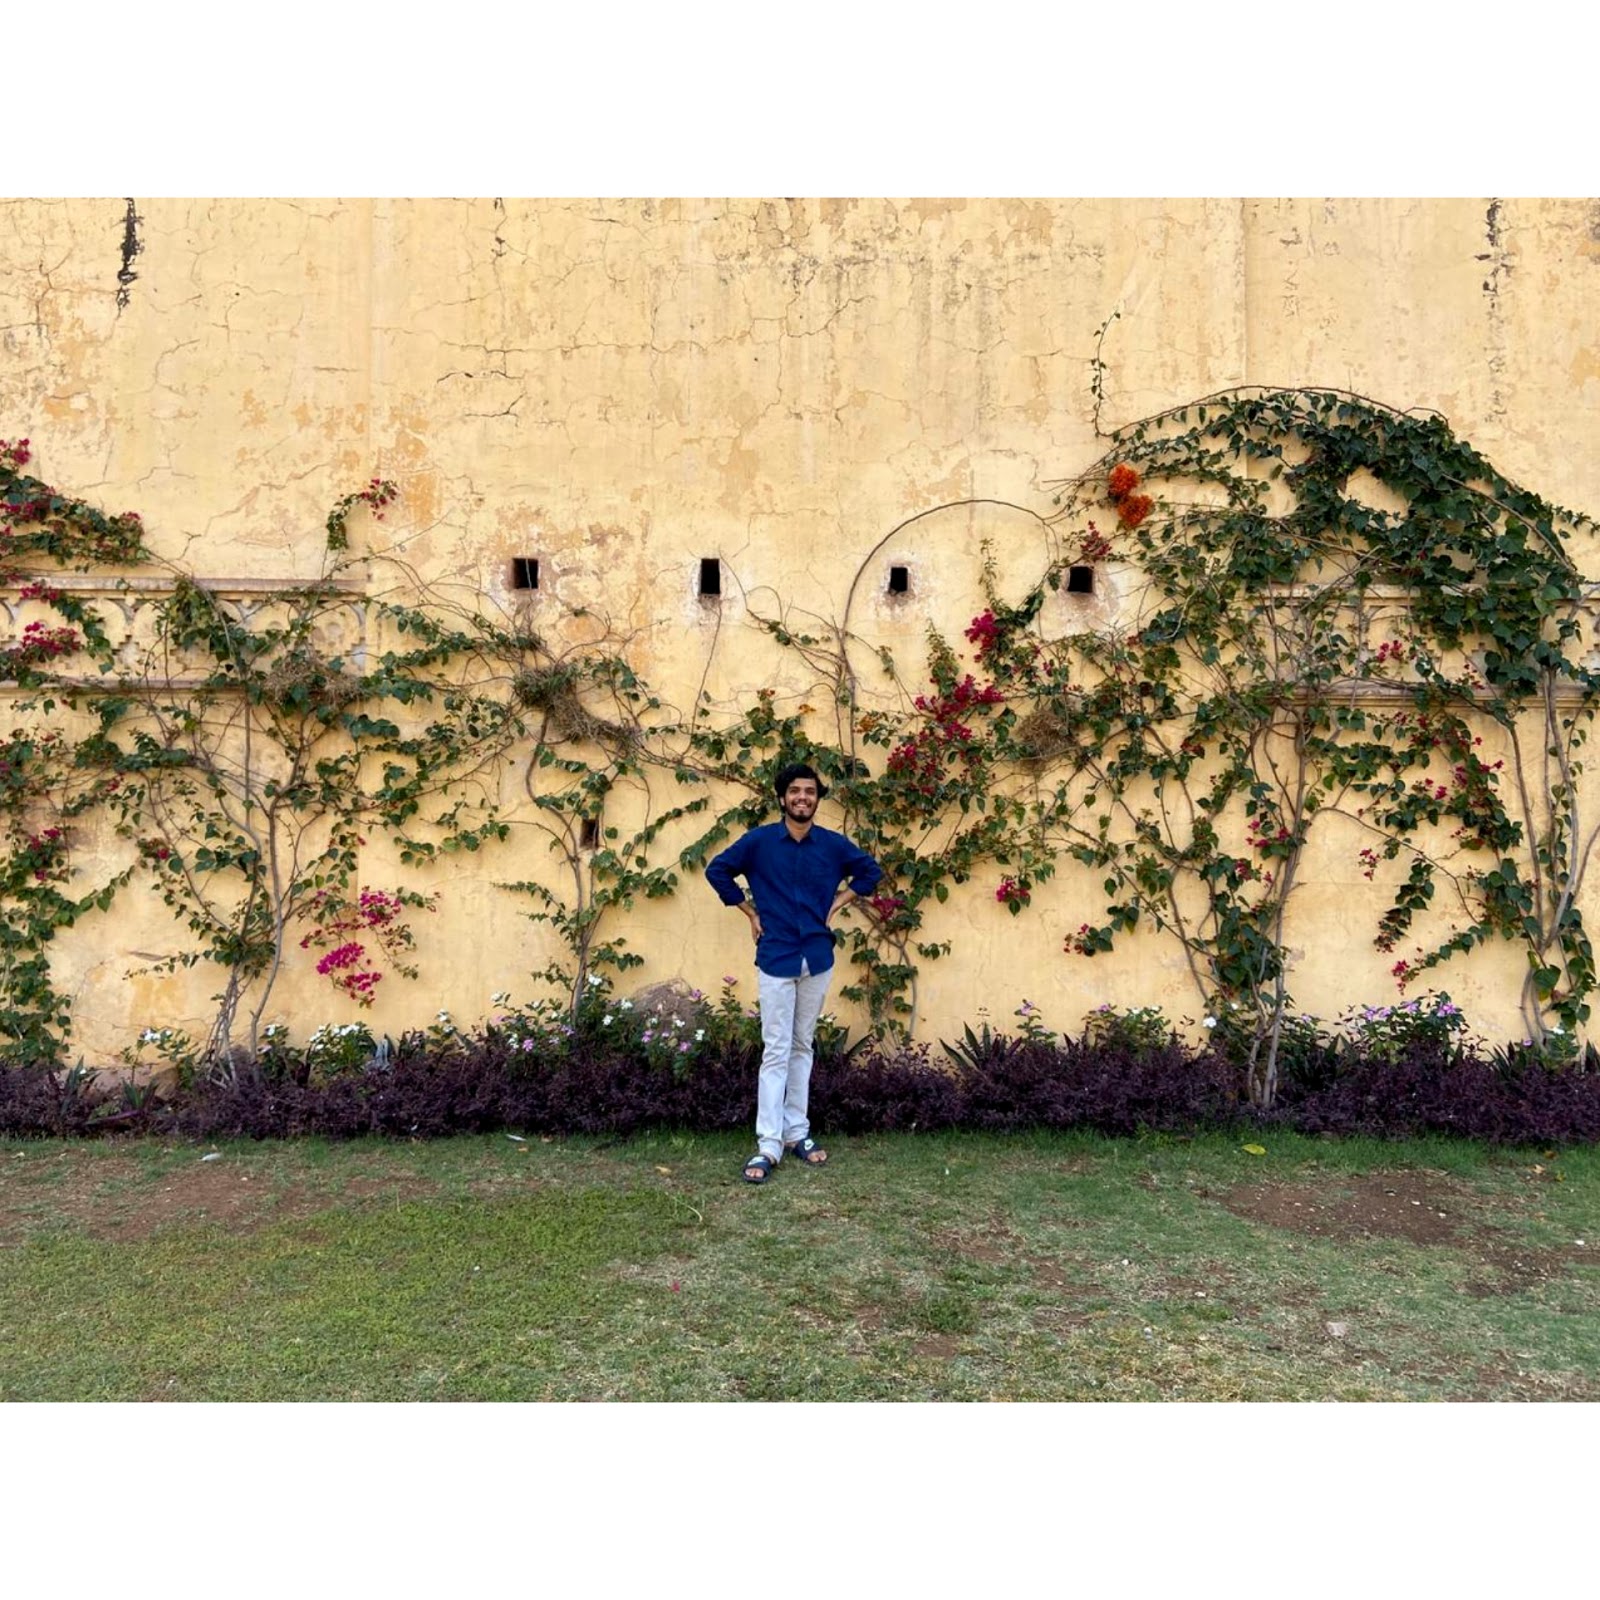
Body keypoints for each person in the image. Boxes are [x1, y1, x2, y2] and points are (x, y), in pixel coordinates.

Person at [707, 761, 882, 1184]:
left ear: (817, 799)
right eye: (795, 791)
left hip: (817, 956)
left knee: (803, 1045)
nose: (802, 798)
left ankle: (796, 1132)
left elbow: (870, 872)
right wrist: (750, 912)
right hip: (777, 955)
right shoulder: (760, 842)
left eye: (810, 791)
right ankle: (768, 1143)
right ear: (783, 798)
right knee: (776, 1049)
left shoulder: (832, 845)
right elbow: (718, 870)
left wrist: (838, 903)